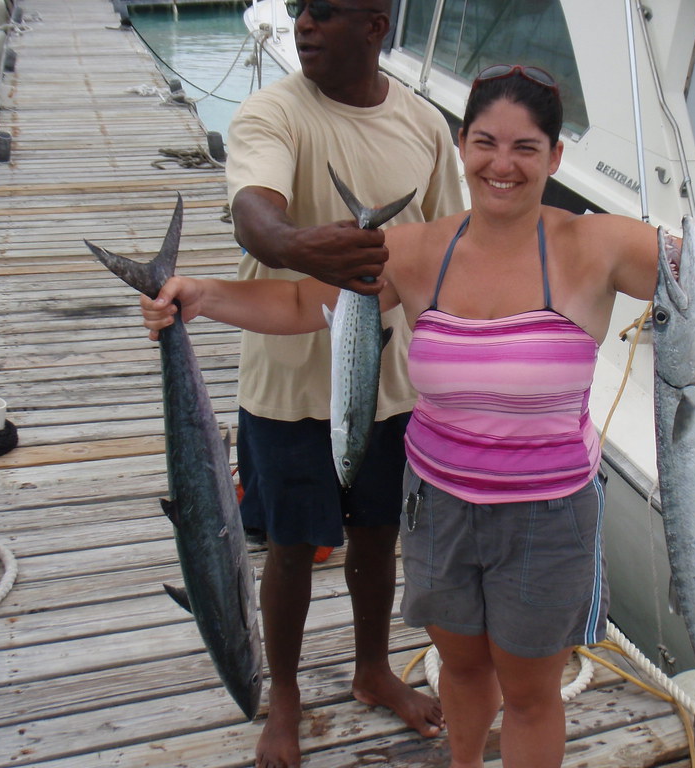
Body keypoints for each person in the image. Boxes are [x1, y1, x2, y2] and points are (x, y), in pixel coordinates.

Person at [145, 65, 695, 768]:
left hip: (548, 518)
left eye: (525, 148)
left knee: (531, 695)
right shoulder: (417, 250)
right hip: (437, 509)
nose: (502, 165)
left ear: (555, 157)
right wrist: (201, 296)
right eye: (485, 143)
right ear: (461, 146)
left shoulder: (596, 245)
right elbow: (300, 305)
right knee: (464, 670)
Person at [222, 1, 464, 766]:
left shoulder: (424, 127)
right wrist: (297, 246)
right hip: (287, 386)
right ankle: (285, 694)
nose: (304, 25)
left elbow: (448, 245)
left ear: (375, 25)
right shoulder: (273, 113)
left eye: (326, 12)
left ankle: (372, 668)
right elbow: (253, 214)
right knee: (292, 544)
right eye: (300, 10)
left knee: (378, 532)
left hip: (390, 385)